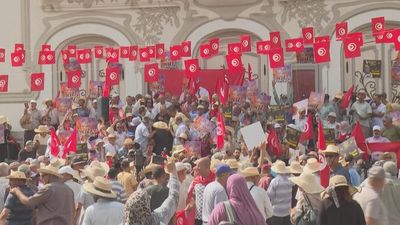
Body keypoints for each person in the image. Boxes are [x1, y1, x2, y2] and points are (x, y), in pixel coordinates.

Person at [10, 164, 75, 225]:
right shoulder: (68, 189)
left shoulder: (49, 188)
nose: (41, 178)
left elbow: (29, 202)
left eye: (42, 176)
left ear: (48, 176)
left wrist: (17, 191)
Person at [121, 159, 179, 225]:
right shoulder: (152, 220)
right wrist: (173, 172)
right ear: (146, 207)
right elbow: (173, 198)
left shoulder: (124, 222)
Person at [187, 157, 216, 225]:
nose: (196, 168)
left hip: (211, 218)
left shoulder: (215, 179)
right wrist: (191, 204)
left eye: (199, 166)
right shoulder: (196, 180)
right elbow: (192, 196)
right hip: (198, 218)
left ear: (207, 167)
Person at [267, 160, 293, 225]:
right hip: (287, 211)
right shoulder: (290, 180)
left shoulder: (275, 181)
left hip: (276, 212)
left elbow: (269, 196)